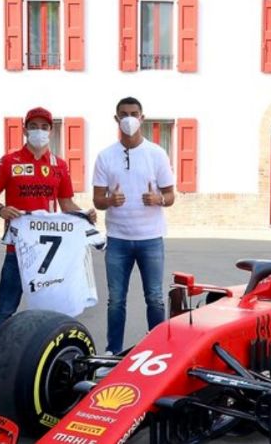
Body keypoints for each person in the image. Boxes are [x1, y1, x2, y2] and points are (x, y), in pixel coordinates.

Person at [0, 106, 96, 336]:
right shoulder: (8, 161)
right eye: (33, 127)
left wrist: (84, 215)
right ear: (25, 130)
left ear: (51, 131)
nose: (39, 131)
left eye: (44, 127)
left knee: (52, 310)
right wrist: (0, 209)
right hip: (18, 248)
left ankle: (46, 356)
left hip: (49, 253)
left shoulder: (59, 165)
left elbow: (66, 205)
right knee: (5, 309)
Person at [92, 97, 175, 355]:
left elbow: (171, 196)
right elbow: (97, 200)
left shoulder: (157, 154)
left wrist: (158, 199)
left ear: (142, 117)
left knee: (155, 298)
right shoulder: (105, 156)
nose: (129, 118)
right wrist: (109, 200)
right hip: (117, 238)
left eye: (133, 113)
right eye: (124, 114)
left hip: (150, 238)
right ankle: (113, 352)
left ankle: (158, 350)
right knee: (116, 300)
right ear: (116, 119)